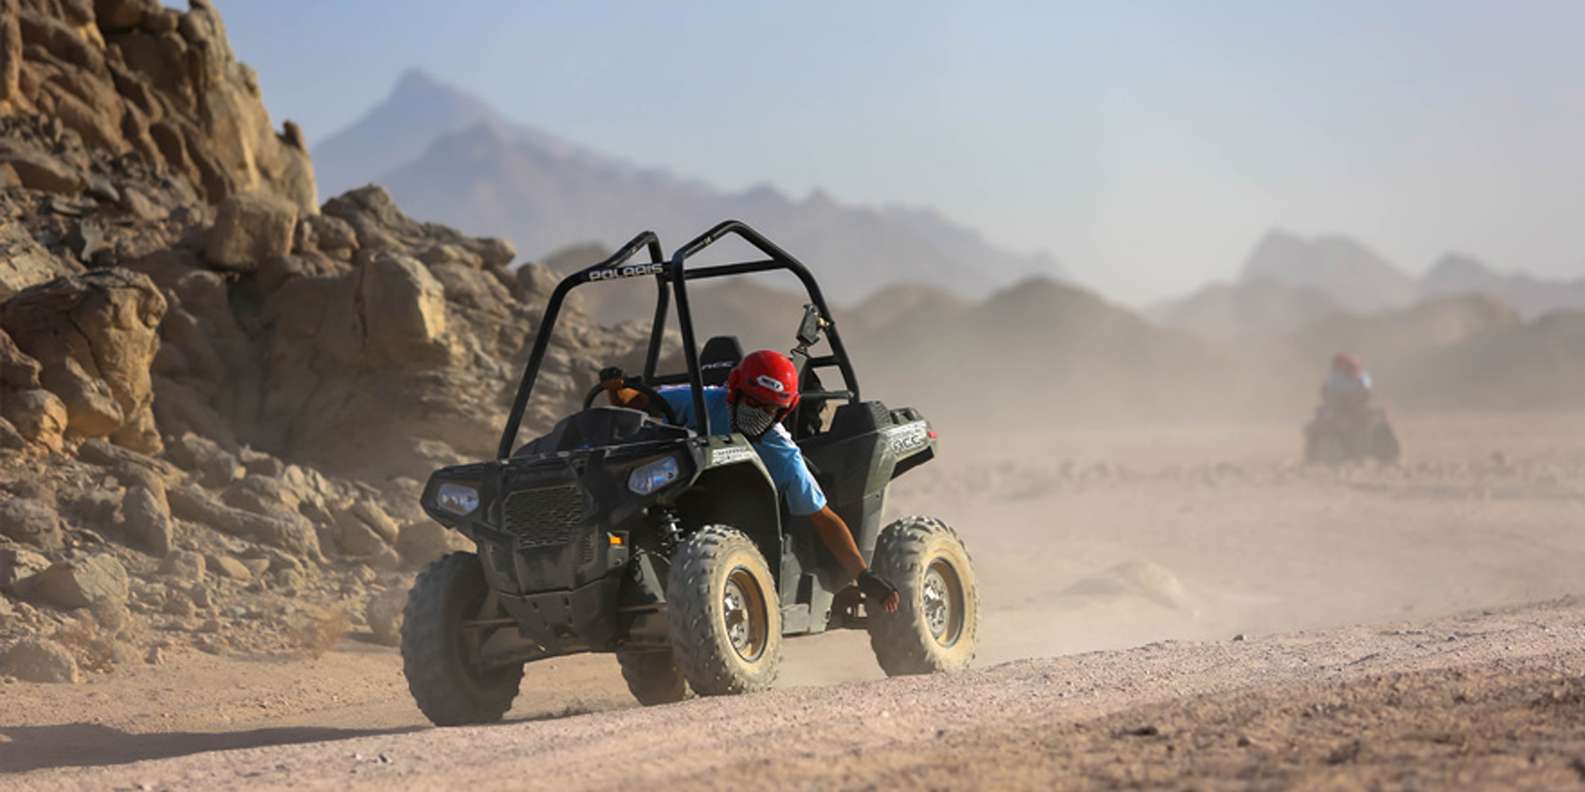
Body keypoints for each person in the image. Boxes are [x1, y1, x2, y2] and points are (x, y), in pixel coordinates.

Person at [602, 350, 900, 614]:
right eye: (752, 403)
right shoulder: (704, 401)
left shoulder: (780, 450)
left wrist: (863, 575)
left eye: (768, 409)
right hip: (684, 500)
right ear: (734, 390)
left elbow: (823, 518)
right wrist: (617, 390)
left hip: (752, 527)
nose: (755, 414)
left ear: (783, 410)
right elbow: (638, 402)